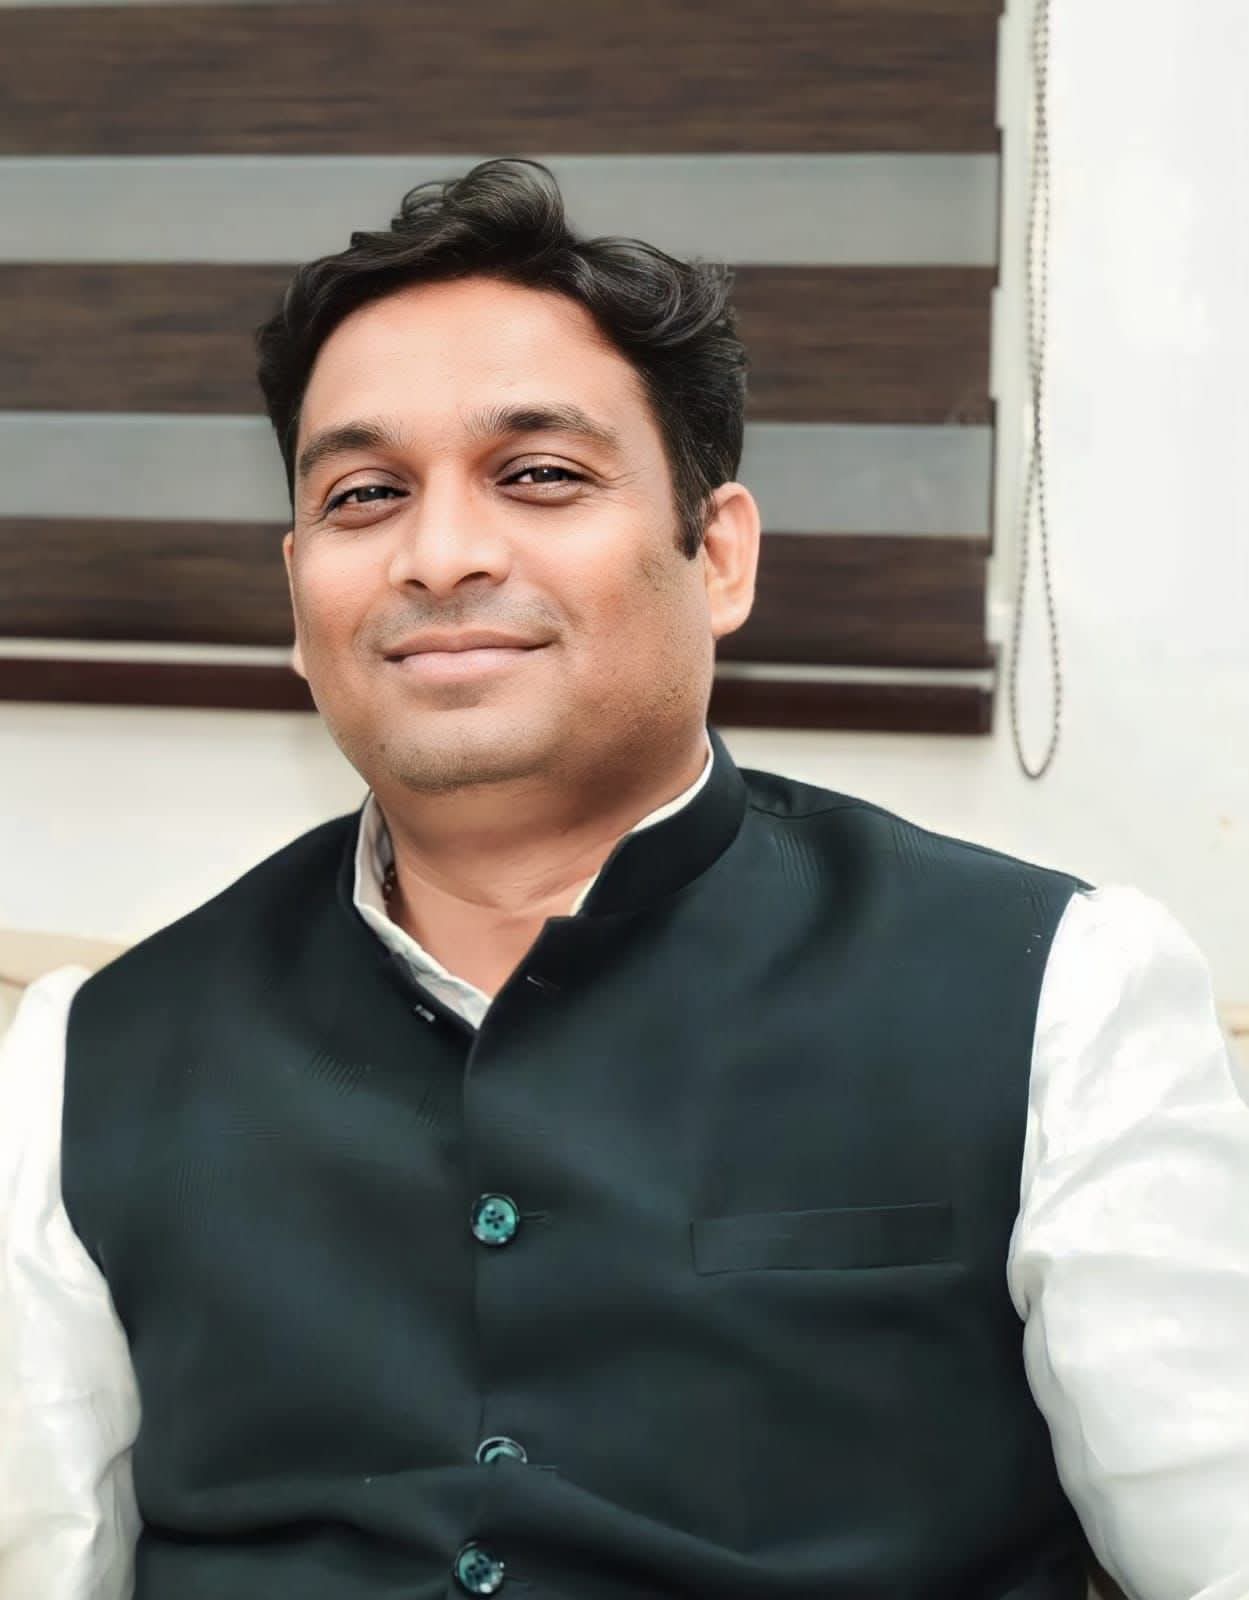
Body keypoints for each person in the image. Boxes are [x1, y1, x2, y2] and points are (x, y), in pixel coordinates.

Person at [1, 158, 1246, 1600]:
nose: (440, 555)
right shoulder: (88, 1051)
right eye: (365, 494)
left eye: (539, 475)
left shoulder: (1057, 993)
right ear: (298, 593)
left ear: (716, 556)